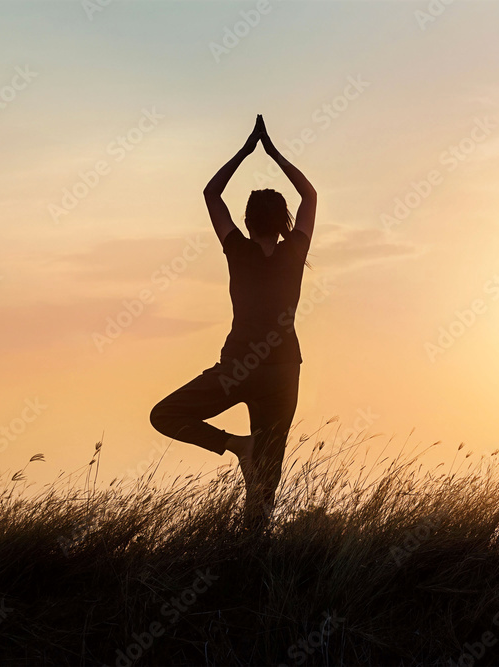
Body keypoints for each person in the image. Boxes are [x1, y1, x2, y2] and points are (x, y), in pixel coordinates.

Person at [149, 114, 316, 530]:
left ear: (246, 221)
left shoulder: (236, 249)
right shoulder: (294, 249)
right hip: (281, 371)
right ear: (284, 223)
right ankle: (252, 547)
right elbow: (309, 194)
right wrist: (273, 152)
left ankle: (237, 446)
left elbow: (211, 192)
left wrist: (246, 150)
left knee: (164, 415)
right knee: (267, 476)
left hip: (238, 367)